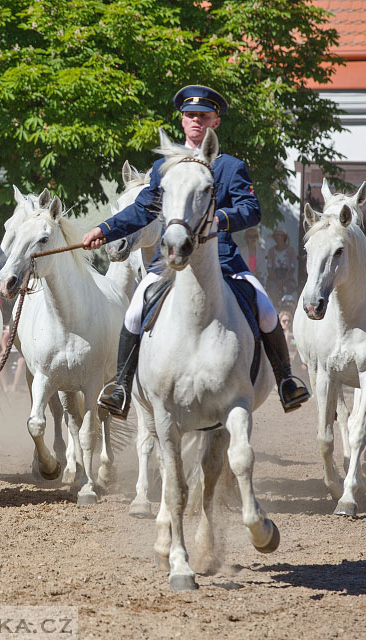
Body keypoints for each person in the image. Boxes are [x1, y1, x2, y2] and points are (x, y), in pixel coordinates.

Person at [83, 85, 309, 417]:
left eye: (203, 116)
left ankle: (286, 381)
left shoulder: (230, 167)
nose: (196, 121)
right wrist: (104, 230)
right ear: (182, 121)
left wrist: (220, 216)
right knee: (134, 312)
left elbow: (251, 209)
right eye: (190, 116)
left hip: (223, 261)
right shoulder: (164, 168)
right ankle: (121, 386)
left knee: (266, 309)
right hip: (172, 264)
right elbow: (143, 210)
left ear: (215, 122)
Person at [266, 228, 296, 301]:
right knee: (272, 289)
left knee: (289, 289)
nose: (277, 237)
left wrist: (284, 280)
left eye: (279, 235)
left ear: (284, 237)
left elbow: (292, 268)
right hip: (274, 276)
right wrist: (276, 280)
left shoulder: (291, 250)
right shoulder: (271, 251)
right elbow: (269, 267)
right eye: (276, 235)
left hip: (287, 276)